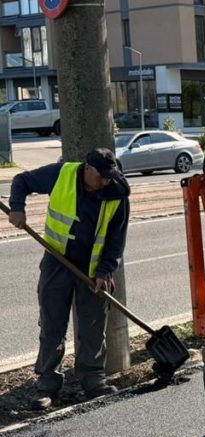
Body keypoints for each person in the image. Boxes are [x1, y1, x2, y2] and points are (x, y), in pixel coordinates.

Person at [7, 149, 131, 410]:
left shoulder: (117, 192)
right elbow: (21, 181)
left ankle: (93, 381)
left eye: (109, 176)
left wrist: (105, 272)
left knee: (93, 327)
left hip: (92, 270)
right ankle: (47, 385)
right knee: (52, 324)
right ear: (88, 169)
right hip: (57, 262)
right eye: (101, 176)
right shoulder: (61, 174)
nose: (106, 181)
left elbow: (116, 240)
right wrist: (17, 208)